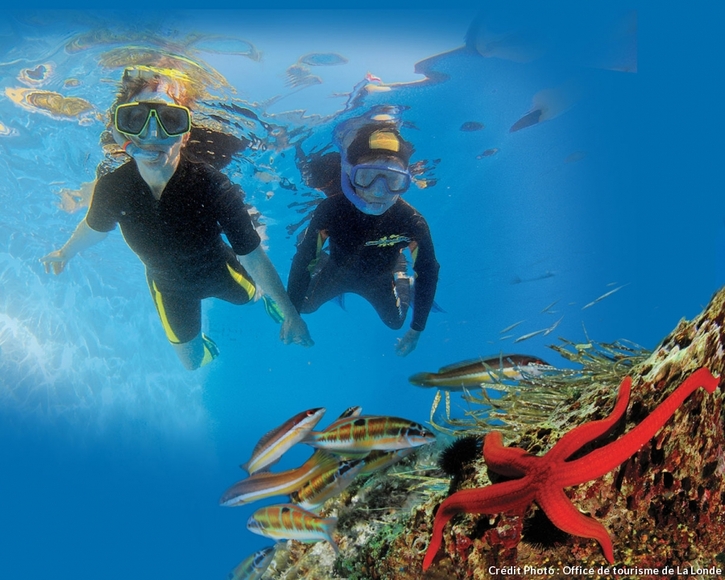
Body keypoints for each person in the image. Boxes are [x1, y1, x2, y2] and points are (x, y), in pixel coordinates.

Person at [41, 66, 313, 370]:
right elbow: (94, 229)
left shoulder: (212, 185)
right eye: (137, 118)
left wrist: (290, 312)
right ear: (122, 130)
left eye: (170, 120)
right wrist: (64, 252)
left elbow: (252, 256)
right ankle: (206, 344)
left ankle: (265, 299)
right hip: (168, 289)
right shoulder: (113, 188)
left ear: (184, 135)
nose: (154, 134)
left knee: (252, 297)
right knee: (192, 363)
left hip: (222, 272)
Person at [287, 118, 439, 356]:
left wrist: (416, 328)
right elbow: (303, 259)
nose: (379, 192)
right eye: (367, 177)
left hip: (380, 279)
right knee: (302, 307)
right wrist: (291, 316)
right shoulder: (330, 210)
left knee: (396, 322)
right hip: (336, 271)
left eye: (393, 180)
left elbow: (428, 270)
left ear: (405, 181)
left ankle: (399, 272)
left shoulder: (411, 221)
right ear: (349, 173)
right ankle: (324, 263)